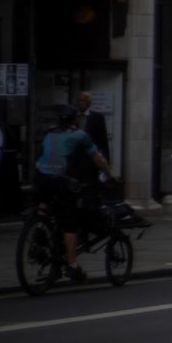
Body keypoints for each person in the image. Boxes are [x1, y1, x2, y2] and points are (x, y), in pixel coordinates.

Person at [32, 103, 111, 281]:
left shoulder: (49, 132)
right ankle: (72, 264)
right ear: (75, 119)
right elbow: (97, 158)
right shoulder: (79, 135)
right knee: (69, 223)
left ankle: (39, 225)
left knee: (45, 202)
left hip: (41, 178)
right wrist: (107, 171)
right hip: (60, 181)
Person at [74, 91, 111, 160]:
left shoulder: (97, 117)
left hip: (91, 156)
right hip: (75, 155)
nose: (80, 103)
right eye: (78, 100)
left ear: (89, 103)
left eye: (83, 101)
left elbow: (103, 140)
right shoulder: (73, 117)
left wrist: (106, 158)